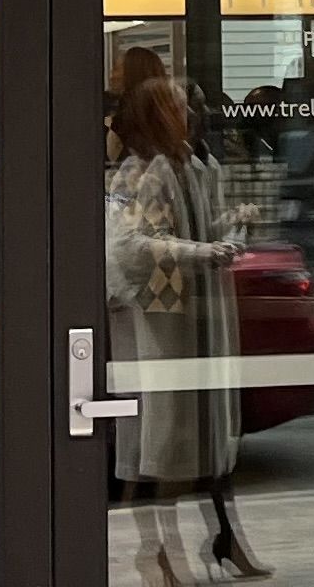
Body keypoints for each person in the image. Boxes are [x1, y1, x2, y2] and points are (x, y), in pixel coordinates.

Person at [106, 65, 266, 582]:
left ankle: (208, 539)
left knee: (199, 436)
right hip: (161, 318)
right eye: (177, 104)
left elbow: (191, 227)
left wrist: (231, 222)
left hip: (194, 317)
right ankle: (160, 548)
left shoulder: (193, 166)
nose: (190, 113)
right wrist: (204, 251)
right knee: (165, 439)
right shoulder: (142, 171)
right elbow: (131, 245)